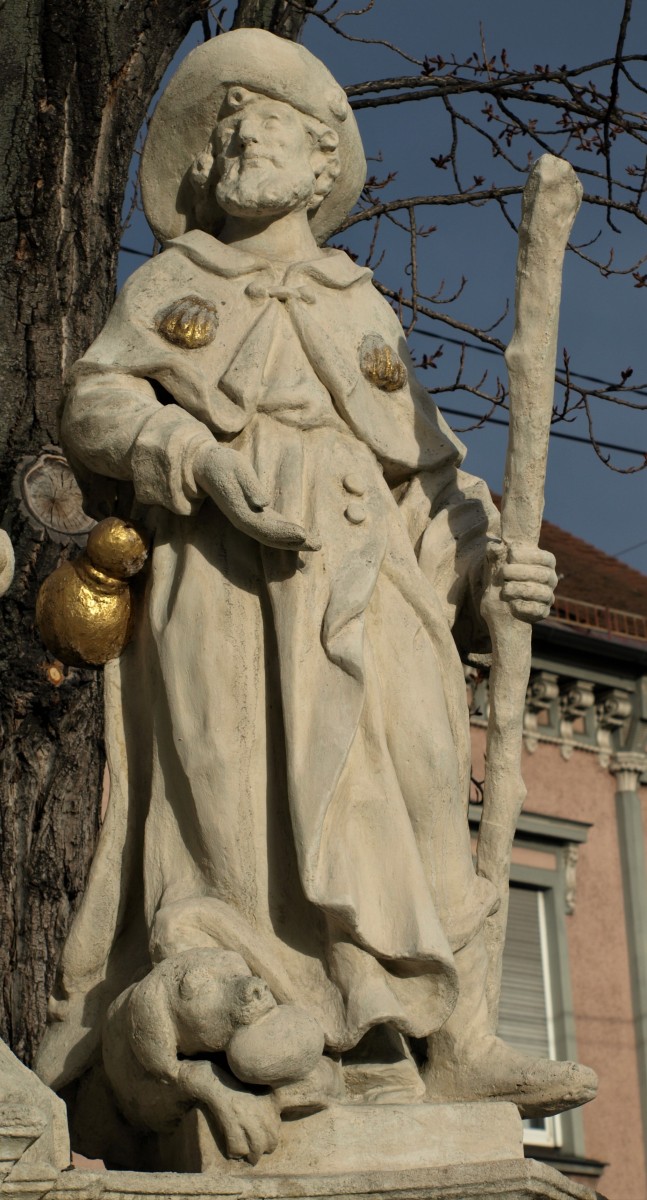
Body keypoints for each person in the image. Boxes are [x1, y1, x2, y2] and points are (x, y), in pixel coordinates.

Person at [35, 29, 596, 1168]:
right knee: (237, 800)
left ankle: (441, 1025)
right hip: (225, 579)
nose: (239, 137)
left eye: (269, 122)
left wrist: (494, 565)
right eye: (222, 126)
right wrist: (187, 459)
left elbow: (432, 479)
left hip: (366, 574)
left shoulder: (360, 306)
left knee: (415, 780)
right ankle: (291, 1037)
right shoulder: (173, 284)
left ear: (322, 158)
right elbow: (93, 402)